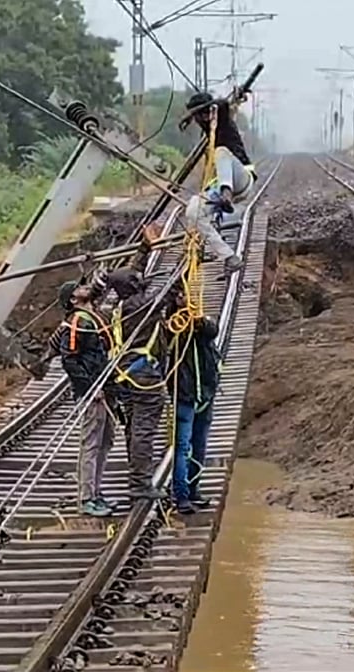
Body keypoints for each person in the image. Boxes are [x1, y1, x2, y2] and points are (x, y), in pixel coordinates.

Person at [44, 277, 117, 517]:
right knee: (91, 443)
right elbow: (69, 360)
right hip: (93, 392)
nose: (84, 287)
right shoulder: (76, 322)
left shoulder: (92, 317)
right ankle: (86, 498)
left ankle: (96, 492)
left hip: (106, 388)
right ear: (73, 300)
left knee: (105, 442)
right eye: (78, 287)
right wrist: (90, 388)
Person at [103, 266, 174, 501]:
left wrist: (143, 253)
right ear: (132, 285)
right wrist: (186, 265)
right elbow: (167, 294)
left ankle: (138, 477)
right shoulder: (140, 305)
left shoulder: (121, 306)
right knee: (144, 428)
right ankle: (140, 483)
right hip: (144, 375)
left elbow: (129, 281)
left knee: (133, 427)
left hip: (125, 374)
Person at [179, 91, 258, 275]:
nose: (202, 118)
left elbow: (222, 103)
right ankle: (229, 257)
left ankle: (226, 195)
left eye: (204, 113)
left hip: (242, 179)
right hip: (221, 185)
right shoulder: (207, 129)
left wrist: (194, 113)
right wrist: (190, 117)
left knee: (221, 151)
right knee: (193, 211)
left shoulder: (222, 119)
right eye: (198, 116)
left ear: (211, 110)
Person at [166, 286, 221, 514]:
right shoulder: (171, 325)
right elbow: (168, 340)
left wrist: (196, 317)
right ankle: (181, 495)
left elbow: (212, 330)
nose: (186, 298)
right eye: (181, 295)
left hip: (205, 393)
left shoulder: (200, 322)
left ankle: (193, 489)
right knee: (182, 446)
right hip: (184, 394)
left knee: (199, 445)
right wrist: (179, 313)